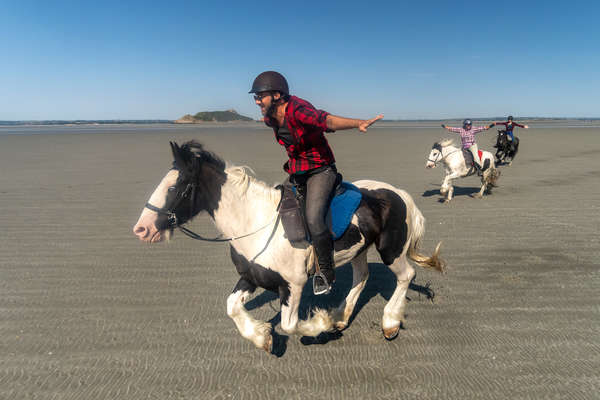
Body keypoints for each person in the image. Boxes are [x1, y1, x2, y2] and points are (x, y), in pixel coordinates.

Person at [249, 71, 383, 295]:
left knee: (313, 217)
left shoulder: (298, 109)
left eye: (260, 96)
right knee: (276, 203)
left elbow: (326, 120)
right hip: (297, 170)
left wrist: (358, 123)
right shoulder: (270, 118)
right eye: (255, 96)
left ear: (277, 95)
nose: (256, 101)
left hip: (321, 170)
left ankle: (326, 273)